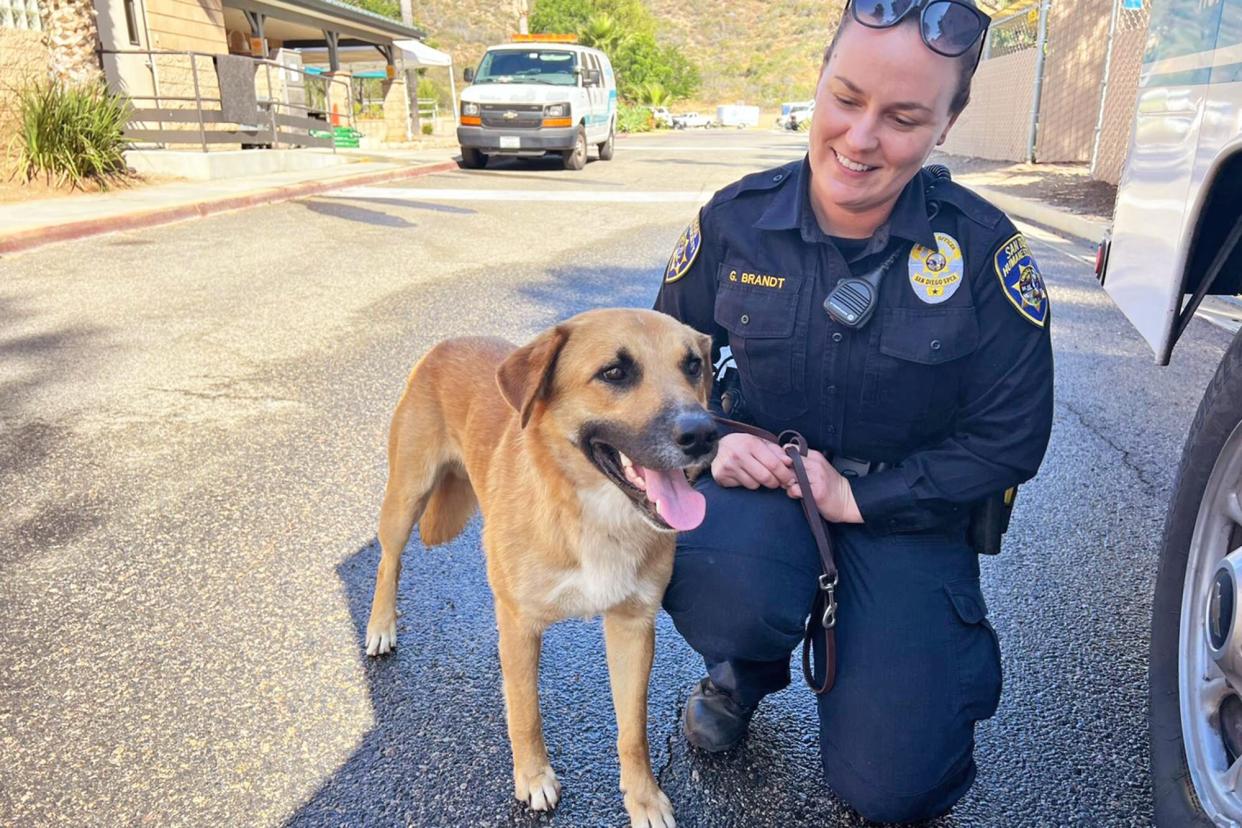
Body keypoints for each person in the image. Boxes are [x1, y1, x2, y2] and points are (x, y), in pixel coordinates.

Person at [653, 0, 1053, 823]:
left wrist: (859, 499)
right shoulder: (733, 222)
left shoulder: (983, 254)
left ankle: (884, 666)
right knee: (722, 576)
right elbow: (662, 381)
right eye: (847, 98)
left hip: (905, 518)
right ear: (821, 80)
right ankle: (746, 664)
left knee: (896, 791)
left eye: (904, 117)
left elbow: (1010, 439)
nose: (861, 138)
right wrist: (708, 449)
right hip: (760, 495)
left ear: (948, 123)